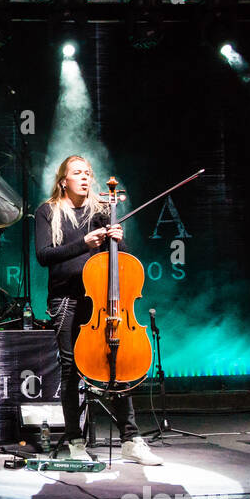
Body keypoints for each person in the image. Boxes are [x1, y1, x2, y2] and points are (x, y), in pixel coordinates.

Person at [34, 155, 159, 465]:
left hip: (101, 303)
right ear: (63, 180)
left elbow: (122, 264)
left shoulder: (100, 213)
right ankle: (75, 440)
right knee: (70, 369)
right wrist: (84, 244)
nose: (86, 177)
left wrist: (119, 240)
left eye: (88, 172)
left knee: (116, 367)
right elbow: (44, 255)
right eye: (78, 173)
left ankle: (131, 439)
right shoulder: (48, 211)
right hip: (66, 300)